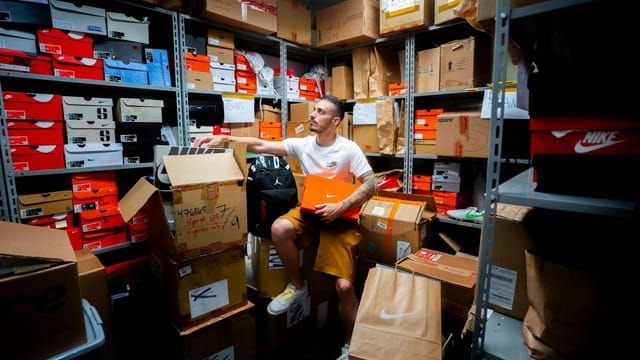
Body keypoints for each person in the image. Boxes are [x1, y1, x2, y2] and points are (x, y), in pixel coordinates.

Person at [194, 95, 377, 360]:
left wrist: (341, 205)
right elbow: (259, 145)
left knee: (345, 288)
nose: (313, 115)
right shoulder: (302, 145)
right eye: (313, 110)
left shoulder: (348, 149)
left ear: (335, 121)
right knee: (279, 229)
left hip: (340, 219)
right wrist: (224, 139)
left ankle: (350, 344)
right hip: (310, 214)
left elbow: (371, 184)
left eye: (321, 112)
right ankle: (297, 285)